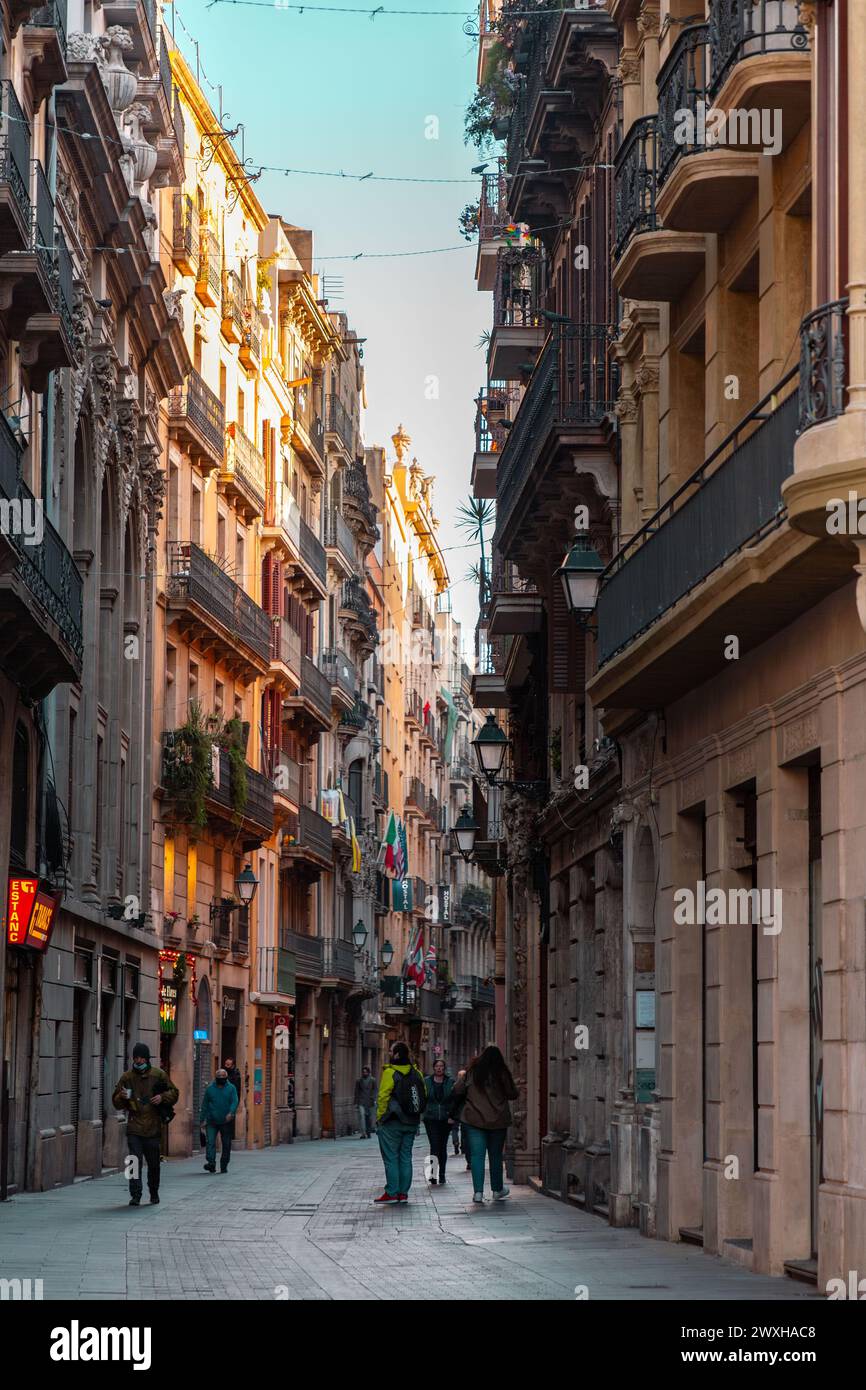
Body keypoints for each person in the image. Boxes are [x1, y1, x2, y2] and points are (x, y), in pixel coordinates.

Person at [112, 1042, 179, 1207]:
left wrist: (163, 1097)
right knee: (133, 1161)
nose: (139, 1060)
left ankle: (154, 1192)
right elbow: (116, 1103)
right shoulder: (127, 1077)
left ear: (147, 1058)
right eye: (136, 1057)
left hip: (153, 1127)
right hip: (134, 1127)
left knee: (154, 1164)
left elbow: (174, 1092)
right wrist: (121, 1097)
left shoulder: (159, 1074)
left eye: (141, 1057)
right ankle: (135, 1194)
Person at [452, 1045, 518, 1205]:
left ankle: (478, 1193)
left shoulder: (472, 1072)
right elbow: (512, 1094)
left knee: (477, 1156)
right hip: (498, 1120)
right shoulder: (502, 1073)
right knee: (495, 1156)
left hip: (474, 1120)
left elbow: (457, 1089)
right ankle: (497, 1189)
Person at [374, 1041, 426, 1204]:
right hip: (411, 1121)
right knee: (405, 1157)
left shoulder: (390, 1072)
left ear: (396, 1054)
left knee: (391, 1157)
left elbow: (383, 1097)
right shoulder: (416, 1072)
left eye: (391, 1051)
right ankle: (403, 1193)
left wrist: (379, 1117)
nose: (389, 1053)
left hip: (392, 1122)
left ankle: (391, 1192)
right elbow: (423, 1093)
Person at [423, 1059, 456, 1185]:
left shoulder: (450, 1082)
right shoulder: (427, 1082)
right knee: (434, 1146)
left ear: (444, 1068)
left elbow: (454, 1100)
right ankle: (432, 1175)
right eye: (437, 1066)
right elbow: (423, 1099)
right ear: (433, 1067)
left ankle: (442, 1174)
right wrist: (423, 1113)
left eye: (441, 1066)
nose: (439, 1068)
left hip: (445, 1119)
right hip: (431, 1119)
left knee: (442, 1147)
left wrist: (452, 1116)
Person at [199, 1068, 239, 1173]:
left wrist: (231, 1112)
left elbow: (235, 1101)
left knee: (226, 1144)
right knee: (210, 1142)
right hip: (211, 1120)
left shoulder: (231, 1088)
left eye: (223, 1076)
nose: (221, 1078)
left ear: (226, 1077)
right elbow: (205, 1105)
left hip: (226, 1121)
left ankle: (224, 1164)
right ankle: (211, 1163)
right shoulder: (210, 1089)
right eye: (219, 1076)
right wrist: (202, 1119)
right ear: (216, 1077)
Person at [354, 1065, 376, 1138]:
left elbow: (375, 1090)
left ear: (369, 1073)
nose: (364, 1073)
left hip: (370, 1102)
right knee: (362, 1116)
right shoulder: (359, 1081)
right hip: (361, 1101)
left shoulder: (373, 1080)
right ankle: (363, 1133)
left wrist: (374, 1099)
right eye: (363, 1072)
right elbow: (356, 1092)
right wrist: (356, 1102)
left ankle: (368, 1132)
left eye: (366, 1072)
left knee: (369, 1118)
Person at [223, 1057, 242, 1140]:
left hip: (229, 1104)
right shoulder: (222, 1074)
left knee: (228, 1126)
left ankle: (227, 1141)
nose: (226, 1066)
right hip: (222, 1103)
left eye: (228, 1065)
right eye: (225, 1064)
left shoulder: (235, 1076)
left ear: (232, 1065)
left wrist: (234, 1107)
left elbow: (237, 1092)